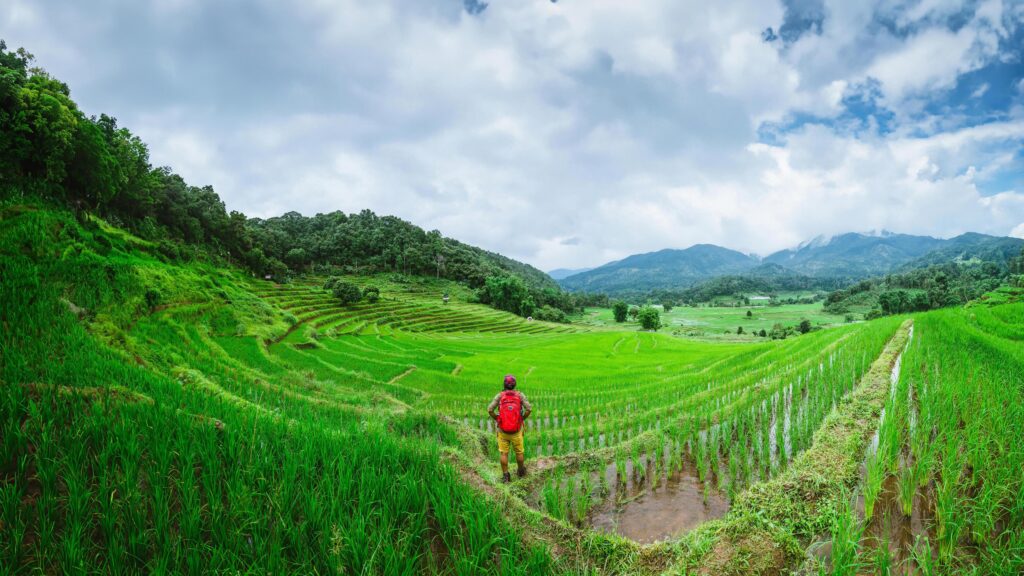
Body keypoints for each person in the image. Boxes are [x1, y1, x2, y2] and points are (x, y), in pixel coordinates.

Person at [487, 374, 532, 483]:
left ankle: (506, 477)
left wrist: (497, 419)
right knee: (519, 452)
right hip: (516, 430)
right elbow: (529, 409)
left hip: (503, 431)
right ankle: (521, 471)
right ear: (515, 385)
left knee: (504, 453)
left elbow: (490, 409)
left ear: (504, 385)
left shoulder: (500, 396)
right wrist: (521, 419)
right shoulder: (520, 395)